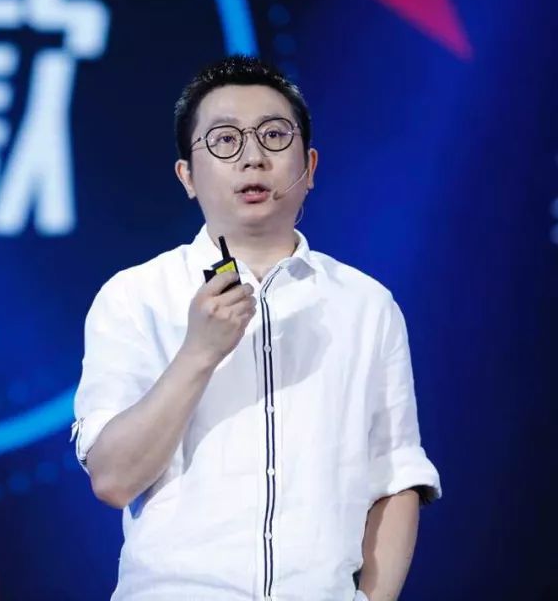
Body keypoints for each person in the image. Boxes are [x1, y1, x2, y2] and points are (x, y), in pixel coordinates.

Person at [72, 55, 441, 601]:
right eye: (225, 140)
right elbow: (113, 479)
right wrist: (198, 353)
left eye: (274, 135)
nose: (252, 157)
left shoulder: (367, 305)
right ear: (187, 176)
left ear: (309, 167)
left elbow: (395, 478)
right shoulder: (134, 297)